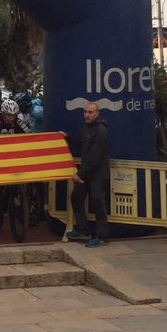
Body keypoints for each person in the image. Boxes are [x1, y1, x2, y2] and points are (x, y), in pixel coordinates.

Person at [66, 102, 110, 247]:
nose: (87, 115)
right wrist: (67, 137)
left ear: (97, 113)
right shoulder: (86, 127)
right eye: (85, 112)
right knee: (76, 197)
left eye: (90, 112)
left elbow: (94, 157)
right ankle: (83, 230)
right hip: (87, 172)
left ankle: (102, 237)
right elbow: (81, 142)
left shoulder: (101, 131)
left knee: (98, 203)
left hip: (98, 173)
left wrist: (80, 174)